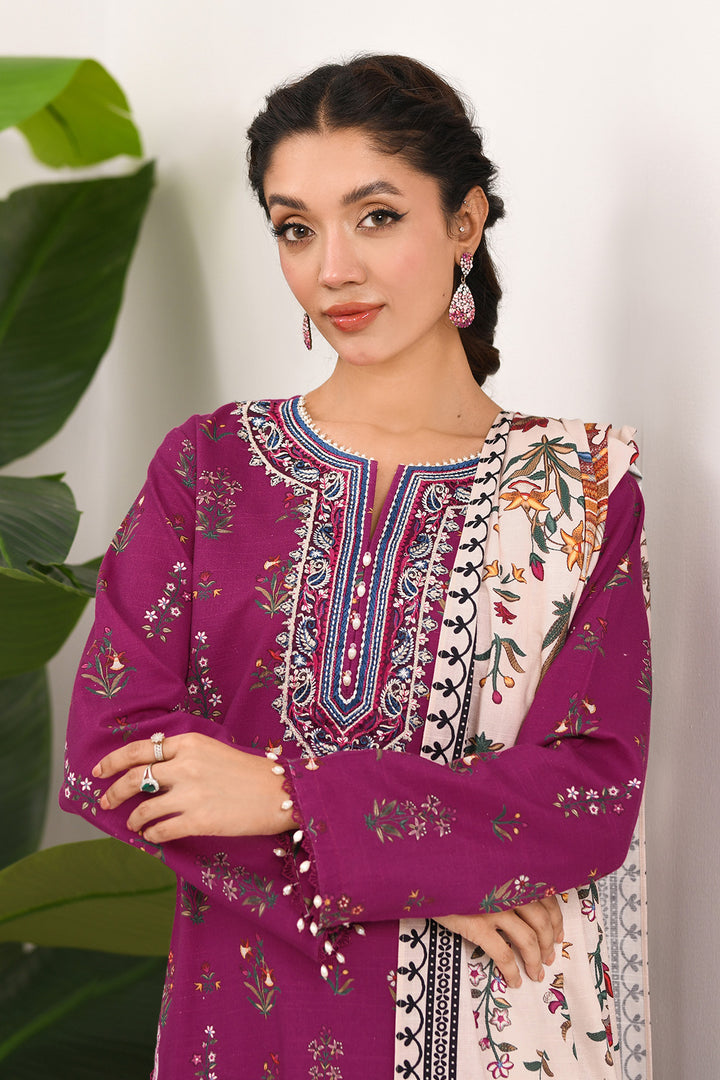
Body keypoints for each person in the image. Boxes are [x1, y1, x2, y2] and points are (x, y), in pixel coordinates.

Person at [61, 54, 651, 1080]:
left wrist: (287, 794)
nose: (332, 267)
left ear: (465, 223)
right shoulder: (211, 466)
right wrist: (423, 872)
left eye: (376, 217)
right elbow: (114, 752)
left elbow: (590, 790)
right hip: (251, 1016)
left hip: (500, 1025)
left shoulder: (580, 486)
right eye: (296, 228)